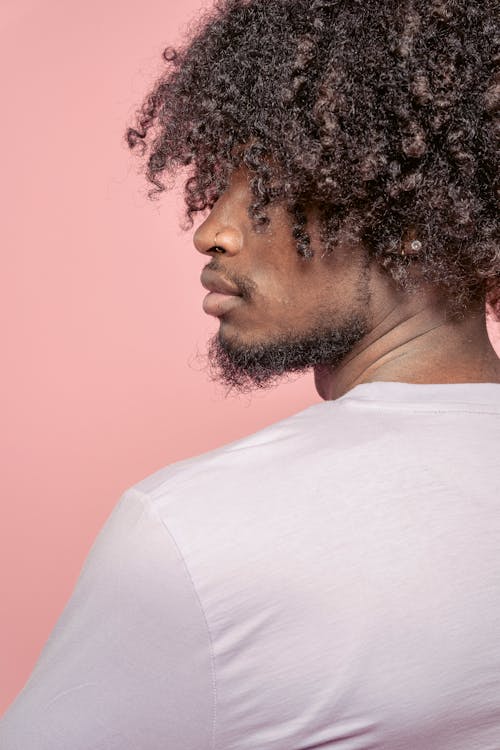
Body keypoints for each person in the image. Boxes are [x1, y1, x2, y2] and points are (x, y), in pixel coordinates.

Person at [1, 0, 499, 747]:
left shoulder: (191, 534)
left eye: (266, 183)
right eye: (219, 180)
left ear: (414, 218)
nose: (214, 230)